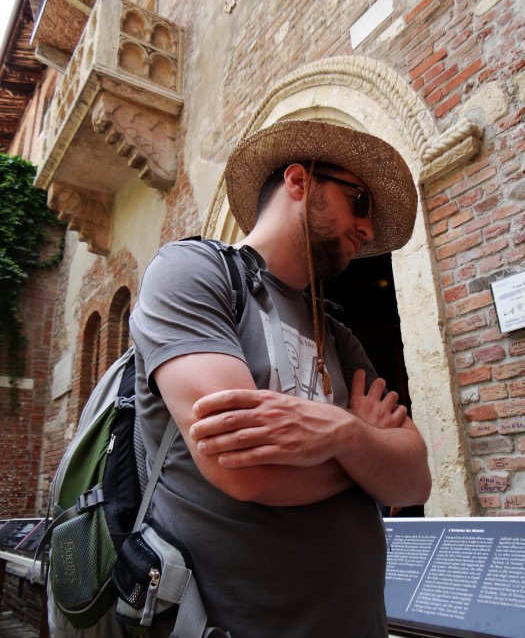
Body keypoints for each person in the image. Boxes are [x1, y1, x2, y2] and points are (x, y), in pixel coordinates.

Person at [130, 119, 432, 637]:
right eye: (359, 202)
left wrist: (342, 434)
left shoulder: (338, 335)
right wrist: (367, 461)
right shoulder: (194, 272)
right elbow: (247, 469)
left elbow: (414, 479)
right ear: (299, 180)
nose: (366, 229)